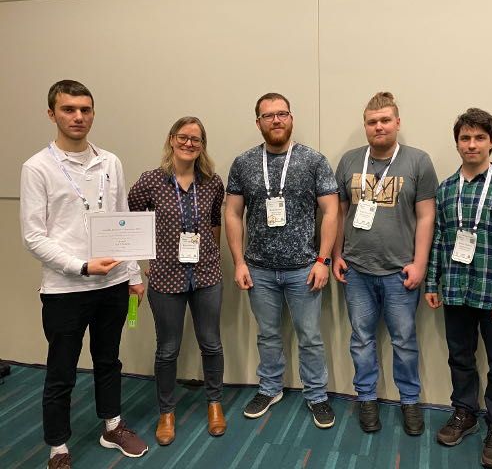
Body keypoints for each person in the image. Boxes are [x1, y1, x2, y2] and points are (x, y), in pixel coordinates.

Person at [20, 80, 148, 469]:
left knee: (109, 360)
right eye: (69, 109)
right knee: (61, 371)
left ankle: (112, 426)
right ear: (52, 114)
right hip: (65, 289)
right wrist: (80, 266)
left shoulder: (110, 162)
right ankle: (58, 447)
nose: (78, 117)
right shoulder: (37, 167)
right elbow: (33, 237)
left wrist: (133, 274)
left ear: (93, 114)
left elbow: (123, 220)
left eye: (85, 109)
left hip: (112, 285)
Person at [224, 92, 338, 428]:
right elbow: (232, 213)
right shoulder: (243, 163)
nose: (276, 120)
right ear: (258, 122)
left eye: (282, 113)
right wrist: (239, 262)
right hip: (258, 269)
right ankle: (270, 388)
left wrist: (323, 260)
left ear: (291, 118)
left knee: (310, 337)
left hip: (304, 268)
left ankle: (316, 394)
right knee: (268, 335)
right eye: (268, 115)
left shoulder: (313, 160)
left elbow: (331, 211)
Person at [425, 108, 492, 469]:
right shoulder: (445, 189)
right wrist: (432, 282)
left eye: (479, 137)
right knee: (460, 357)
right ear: (457, 143)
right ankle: (464, 412)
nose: (472, 144)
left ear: (491, 142)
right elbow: (439, 238)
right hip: (455, 290)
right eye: (465, 138)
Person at [332, 92, 437, 436]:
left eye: (385, 120)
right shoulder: (349, 161)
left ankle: (410, 400)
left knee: (404, 340)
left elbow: (426, 216)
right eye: (372, 122)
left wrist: (419, 263)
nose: (379, 127)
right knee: (361, 339)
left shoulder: (418, 161)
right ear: (365, 125)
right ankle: (366, 397)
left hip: (399, 272)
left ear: (397, 123)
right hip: (357, 270)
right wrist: (336, 254)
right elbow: (340, 213)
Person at [128, 116, 226, 445]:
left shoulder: (212, 182)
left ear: (202, 145)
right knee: (168, 349)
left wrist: (211, 255)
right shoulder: (151, 181)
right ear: (171, 139)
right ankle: (166, 412)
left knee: (211, 343)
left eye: (196, 139)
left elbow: (214, 223)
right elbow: (130, 221)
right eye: (183, 137)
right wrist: (145, 260)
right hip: (165, 277)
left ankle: (214, 404)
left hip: (207, 275)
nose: (188, 143)